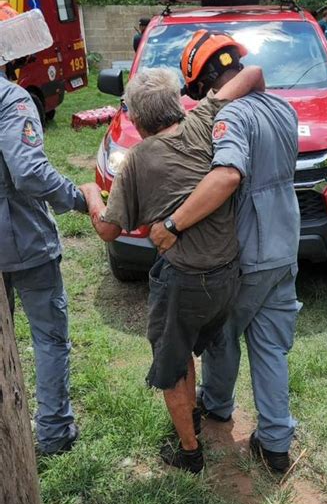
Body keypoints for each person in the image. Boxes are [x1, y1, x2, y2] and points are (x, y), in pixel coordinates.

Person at [81, 47, 264, 474]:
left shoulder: (137, 161)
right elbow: (252, 71)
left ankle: (188, 452)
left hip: (186, 280)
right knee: (200, 344)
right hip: (227, 273)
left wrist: (92, 193)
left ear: (138, 120)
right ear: (178, 103)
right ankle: (201, 413)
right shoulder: (204, 119)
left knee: (174, 363)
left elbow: (109, 229)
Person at [150, 30, 301, 473]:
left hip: (248, 251)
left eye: (199, 91)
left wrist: (173, 224)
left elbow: (228, 177)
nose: (203, 100)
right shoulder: (280, 107)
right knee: (271, 347)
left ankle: (216, 406)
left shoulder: (230, 117)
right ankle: (275, 445)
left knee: (221, 336)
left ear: (209, 79)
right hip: (283, 246)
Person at [0, 6, 89, 456]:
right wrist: (78, 196)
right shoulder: (13, 100)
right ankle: (53, 433)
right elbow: (31, 174)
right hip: (25, 241)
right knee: (49, 339)